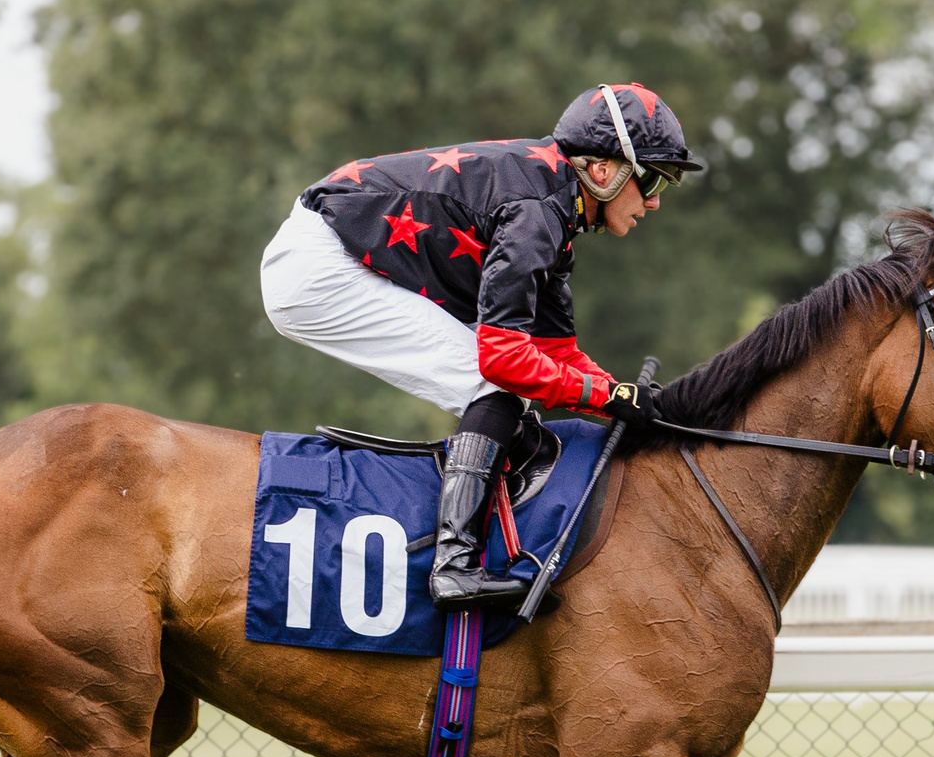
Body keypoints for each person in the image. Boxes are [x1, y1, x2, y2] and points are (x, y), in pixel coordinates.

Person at [262, 83, 701, 607]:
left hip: (328, 249)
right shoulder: (539, 209)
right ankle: (454, 565)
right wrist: (604, 398)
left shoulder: (555, 207)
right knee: (492, 384)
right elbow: (505, 360)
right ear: (604, 171)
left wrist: (627, 398)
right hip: (319, 268)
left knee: (507, 389)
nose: (653, 200)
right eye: (650, 178)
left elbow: (557, 352)